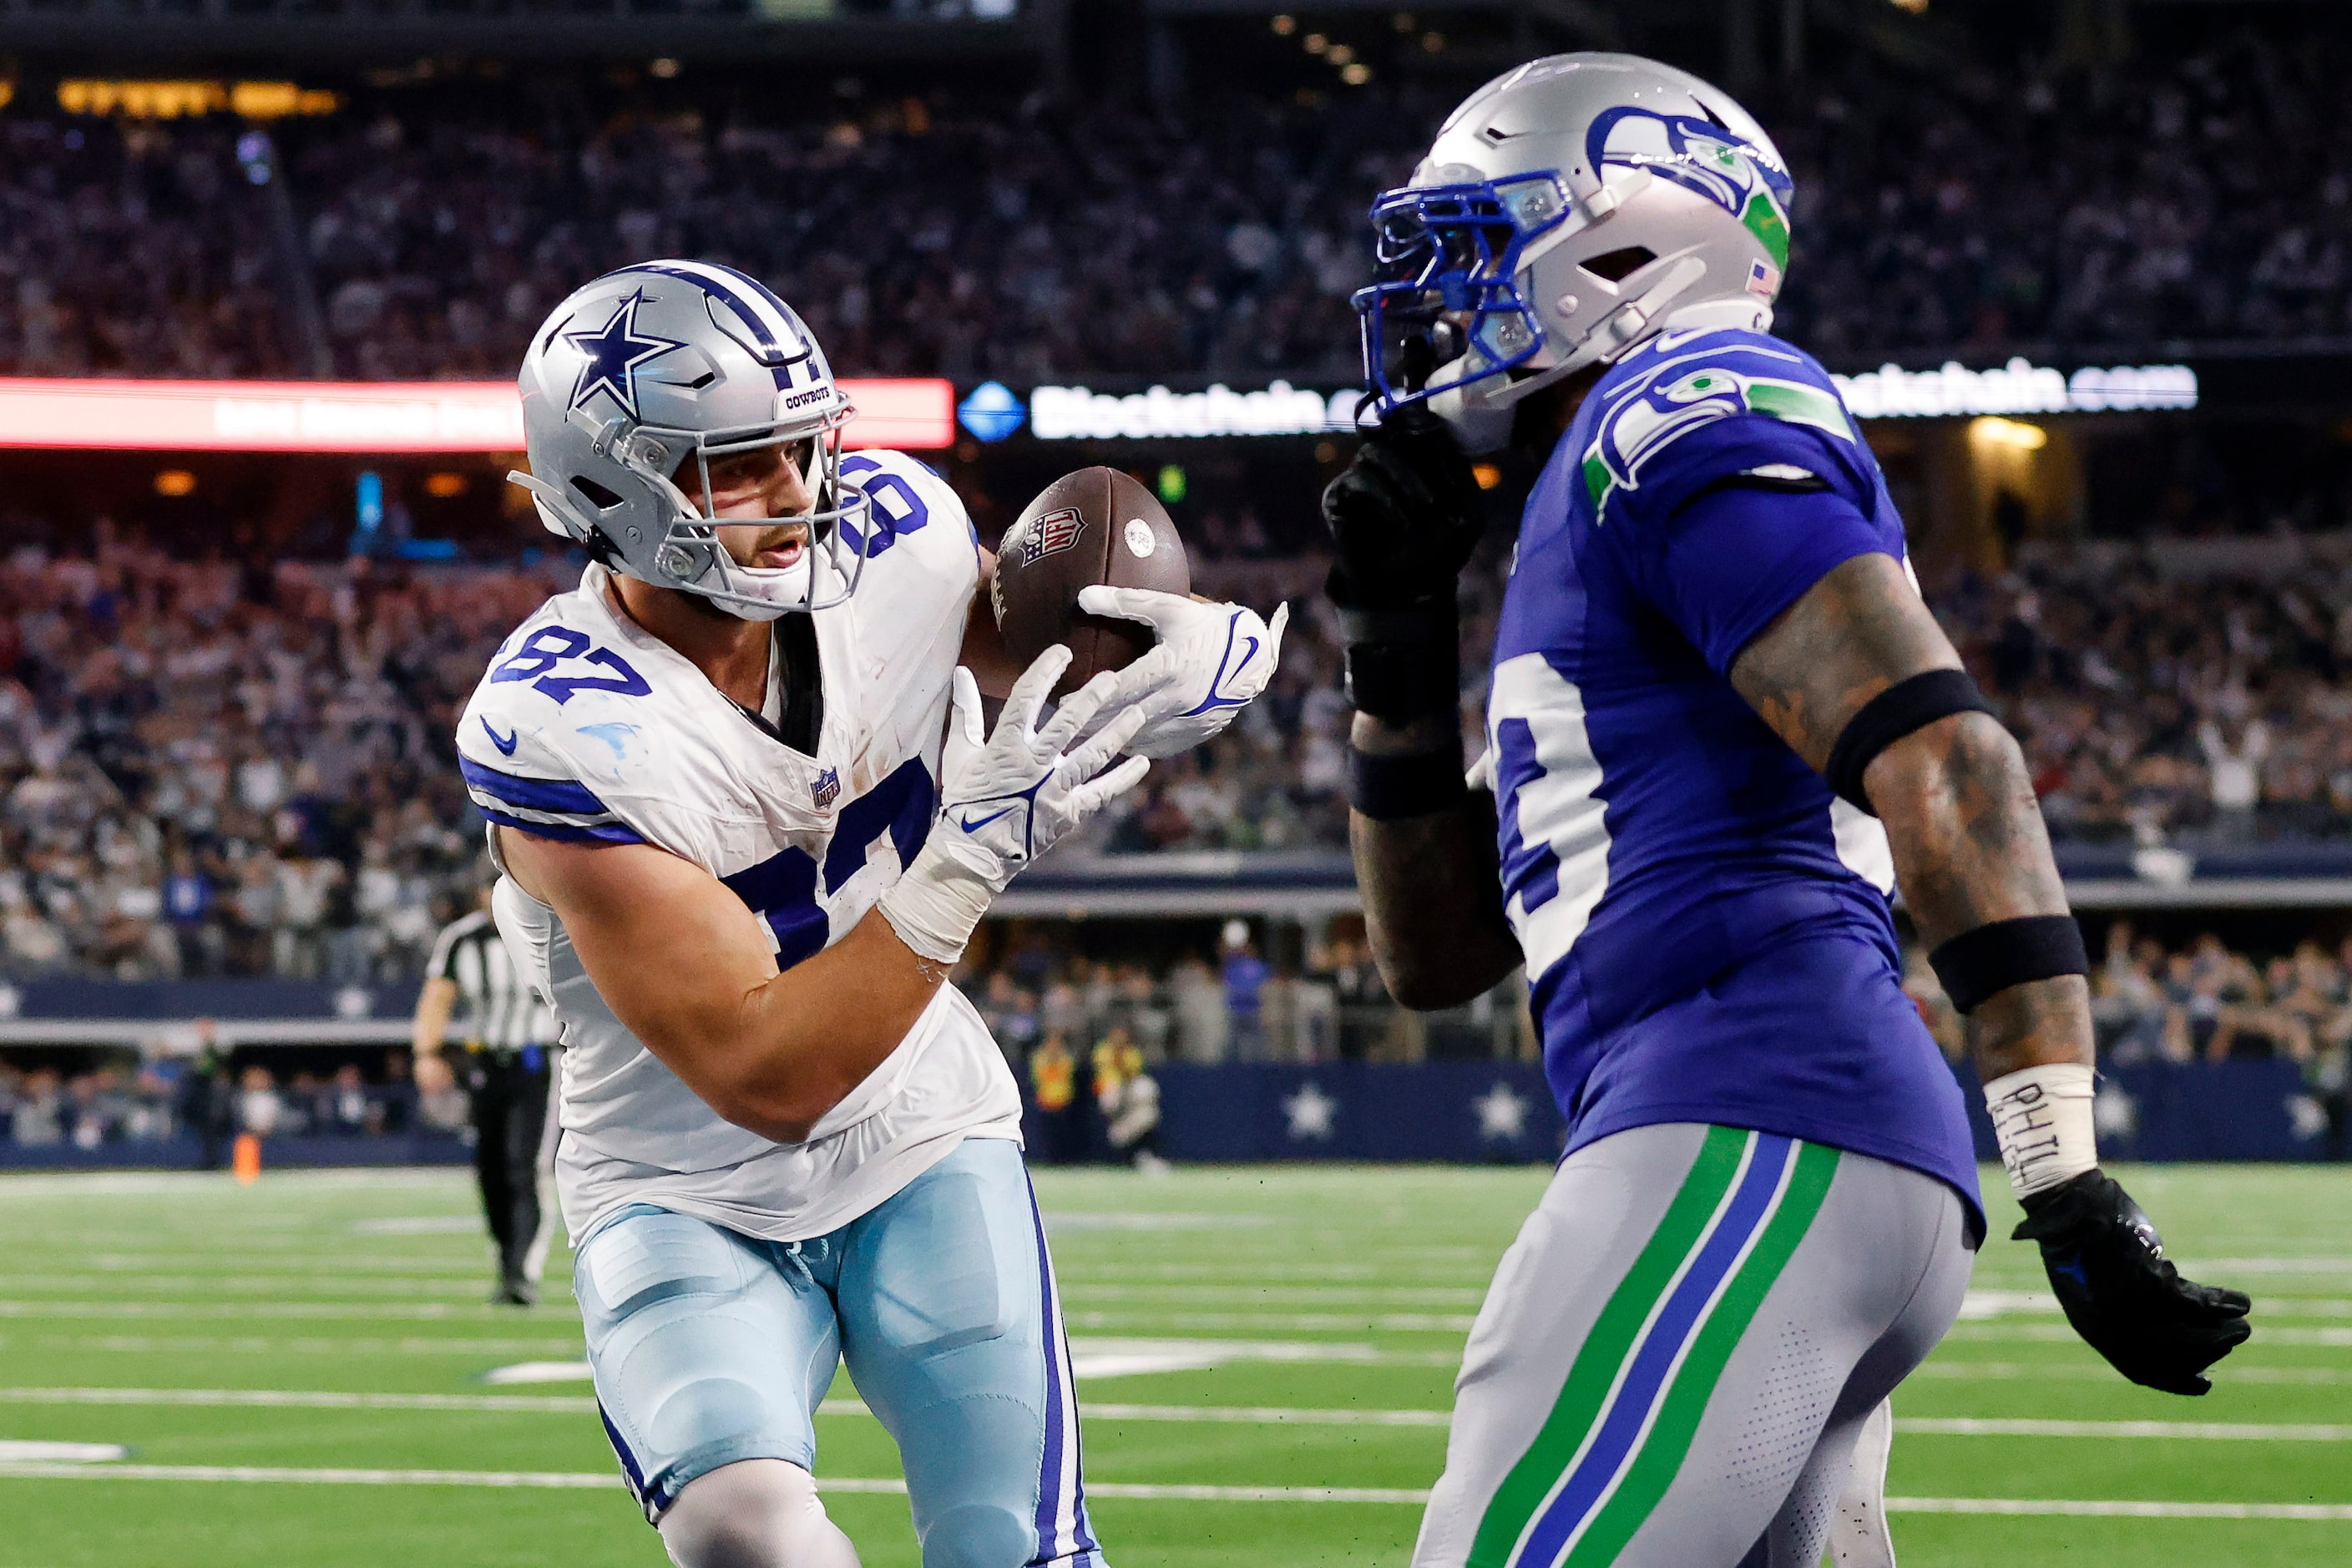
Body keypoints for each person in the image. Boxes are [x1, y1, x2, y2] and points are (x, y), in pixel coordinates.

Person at [1324, 54, 2252, 1568]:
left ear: (1625, 243)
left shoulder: (1679, 404)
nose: (1445, 296)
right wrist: (1396, 656)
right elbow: (1430, 954)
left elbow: (1951, 760)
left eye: (1480, 241)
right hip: (1762, 1138)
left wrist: (2066, 1175)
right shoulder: (1593, 485)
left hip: (1751, 1118)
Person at [459, 260, 1282, 1568]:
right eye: (734, 466)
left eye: (799, 445)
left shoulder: (894, 532)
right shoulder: (561, 724)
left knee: (1011, 1544)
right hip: (684, 1182)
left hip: (917, 1131)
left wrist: (1185, 654)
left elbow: (1048, 653)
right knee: (748, 1536)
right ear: (610, 486)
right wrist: (962, 866)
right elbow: (764, 1070)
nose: (796, 493)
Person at [412, 883, 562, 1305]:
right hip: (485, 1064)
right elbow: (437, 997)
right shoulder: (464, 938)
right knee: (490, 1169)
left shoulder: (552, 924)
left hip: (537, 1062)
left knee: (525, 1166)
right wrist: (427, 1052)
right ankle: (506, 1258)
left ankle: (522, 1271)